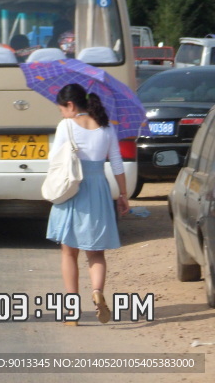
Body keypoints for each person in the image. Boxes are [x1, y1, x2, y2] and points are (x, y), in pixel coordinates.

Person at [46, 83, 129, 326]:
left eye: (62, 108)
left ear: (71, 105)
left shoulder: (66, 125)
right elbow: (116, 163)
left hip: (73, 189)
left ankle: (72, 310)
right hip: (99, 190)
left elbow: (54, 159)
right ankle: (97, 292)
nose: (62, 113)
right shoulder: (105, 128)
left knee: (69, 251)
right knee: (96, 252)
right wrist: (123, 194)